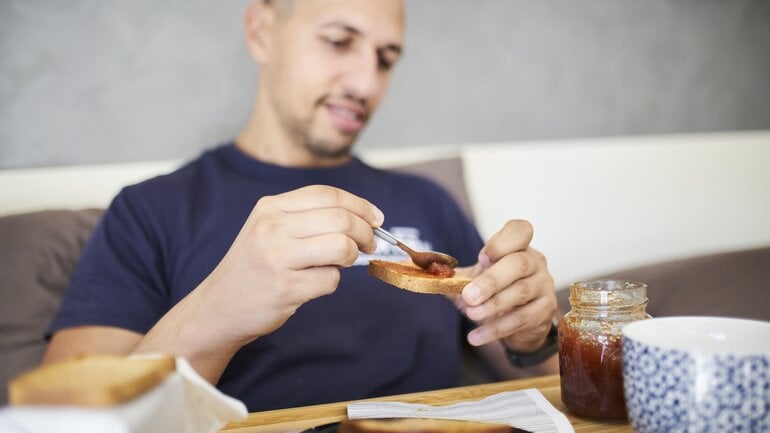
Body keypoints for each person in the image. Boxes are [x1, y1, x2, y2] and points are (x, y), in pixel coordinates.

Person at [43, 0, 559, 411]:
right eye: (338, 42)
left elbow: (546, 379)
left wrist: (532, 332)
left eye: (385, 59)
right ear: (261, 31)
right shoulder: (150, 210)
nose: (366, 84)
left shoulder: (428, 198)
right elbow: (64, 417)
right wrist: (218, 310)